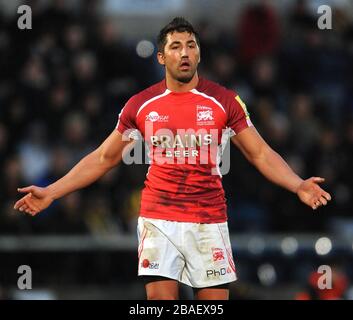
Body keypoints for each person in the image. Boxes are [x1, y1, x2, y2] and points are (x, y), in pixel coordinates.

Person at [14, 17, 332, 300]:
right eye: (176, 46)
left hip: (209, 219)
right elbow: (102, 158)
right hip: (159, 219)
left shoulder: (224, 100)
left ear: (199, 54)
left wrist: (297, 184)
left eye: (191, 45)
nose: (185, 52)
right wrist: (52, 192)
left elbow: (259, 152)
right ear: (162, 57)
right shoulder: (141, 104)